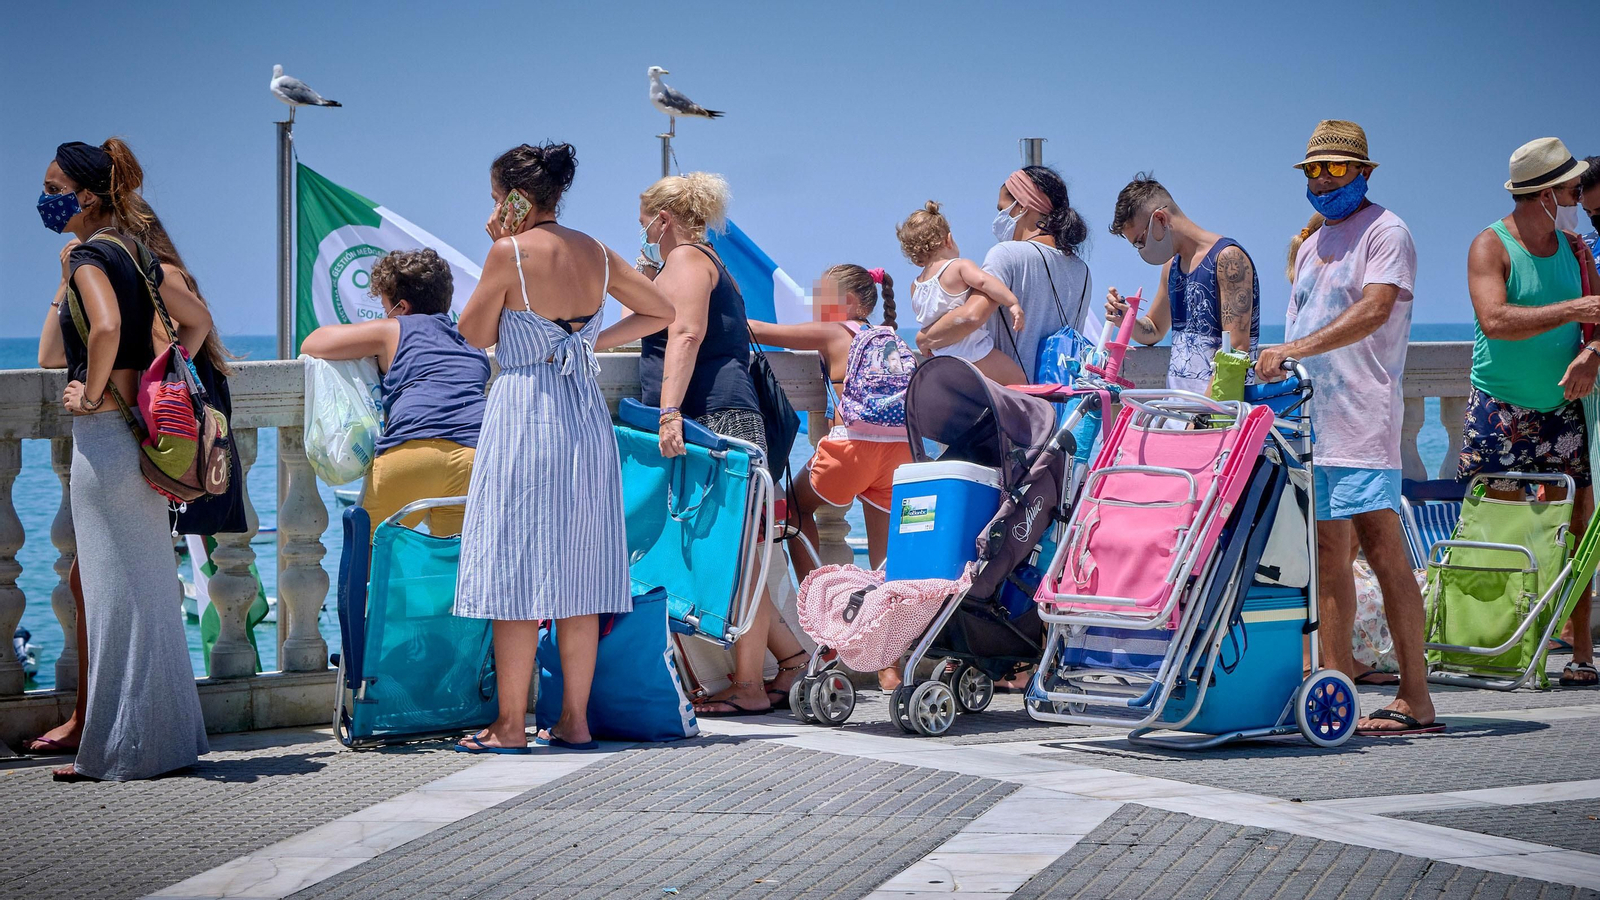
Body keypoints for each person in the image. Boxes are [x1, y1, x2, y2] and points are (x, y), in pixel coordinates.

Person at [451, 142, 673, 752]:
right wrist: (590, 341)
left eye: (498, 199)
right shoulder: (597, 252)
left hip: (525, 415)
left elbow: (471, 334)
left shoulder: (508, 253)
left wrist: (496, 241)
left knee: (515, 570)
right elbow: (660, 309)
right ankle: (575, 720)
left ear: (515, 198)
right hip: (583, 418)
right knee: (582, 571)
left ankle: (511, 726)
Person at [27, 198, 246, 756]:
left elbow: (182, 328)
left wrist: (156, 390)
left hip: (143, 444)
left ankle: (118, 732)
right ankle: (114, 725)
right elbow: (52, 354)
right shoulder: (109, 271)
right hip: (150, 445)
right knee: (104, 586)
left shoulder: (144, 273)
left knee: (122, 590)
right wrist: (64, 280)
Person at [1256, 120, 1439, 735]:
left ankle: (1416, 696)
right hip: (1315, 423)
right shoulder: (1311, 245)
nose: (1324, 179)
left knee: (1384, 548)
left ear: (1364, 172)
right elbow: (1299, 328)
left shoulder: (1387, 232)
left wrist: (1298, 347)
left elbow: (1377, 307)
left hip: (1364, 420)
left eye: (1337, 168)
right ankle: (1337, 694)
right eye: (1314, 169)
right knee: (1328, 554)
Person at [620, 171, 809, 716]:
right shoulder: (694, 262)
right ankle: (791, 661)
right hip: (722, 413)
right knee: (739, 551)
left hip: (712, 414)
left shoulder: (687, 261)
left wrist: (670, 412)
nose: (643, 231)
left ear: (665, 218)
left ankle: (749, 686)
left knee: (736, 555)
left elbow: (685, 334)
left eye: (645, 223)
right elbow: (646, 323)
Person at [1456, 138, 1600, 687]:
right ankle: (1495, 645)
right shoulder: (1489, 246)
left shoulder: (1577, 250)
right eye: (1569, 187)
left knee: (1578, 528)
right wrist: (1572, 309)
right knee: (1500, 530)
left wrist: (1590, 351)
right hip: (1500, 408)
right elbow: (1494, 320)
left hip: (1564, 411)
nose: (1577, 194)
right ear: (1544, 194)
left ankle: (1581, 651)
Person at [748, 265, 915, 688]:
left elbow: (759, 331)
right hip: (899, 453)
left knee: (797, 511)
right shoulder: (892, 338)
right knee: (883, 563)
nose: (816, 307)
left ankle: (827, 623)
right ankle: (888, 667)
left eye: (824, 298)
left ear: (852, 303)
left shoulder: (835, 333)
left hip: (854, 448)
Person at [301, 248, 489, 538]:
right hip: (475, 457)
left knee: (367, 561)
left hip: (412, 455)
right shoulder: (470, 339)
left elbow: (314, 342)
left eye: (385, 306)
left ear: (400, 307)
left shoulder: (393, 330)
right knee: (451, 570)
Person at [916, 166, 1097, 381]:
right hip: (1061, 403)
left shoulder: (1006, 254)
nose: (999, 217)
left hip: (1010, 401)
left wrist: (924, 338)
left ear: (1022, 205)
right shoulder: (1082, 270)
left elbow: (972, 316)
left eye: (1002, 209)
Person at [1104, 173, 1260, 393]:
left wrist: (1201, 416)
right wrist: (1126, 318)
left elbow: (1236, 349)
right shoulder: (1172, 266)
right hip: (1180, 412)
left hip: (1217, 416)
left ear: (1160, 219)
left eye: (1141, 240)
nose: (1141, 249)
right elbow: (1155, 329)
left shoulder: (1228, 259)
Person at [897, 201, 1027, 384]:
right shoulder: (959, 266)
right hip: (975, 354)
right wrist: (1012, 302)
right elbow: (984, 281)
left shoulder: (916, 286)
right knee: (1020, 382)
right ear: (948, 240)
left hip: (943, 361)